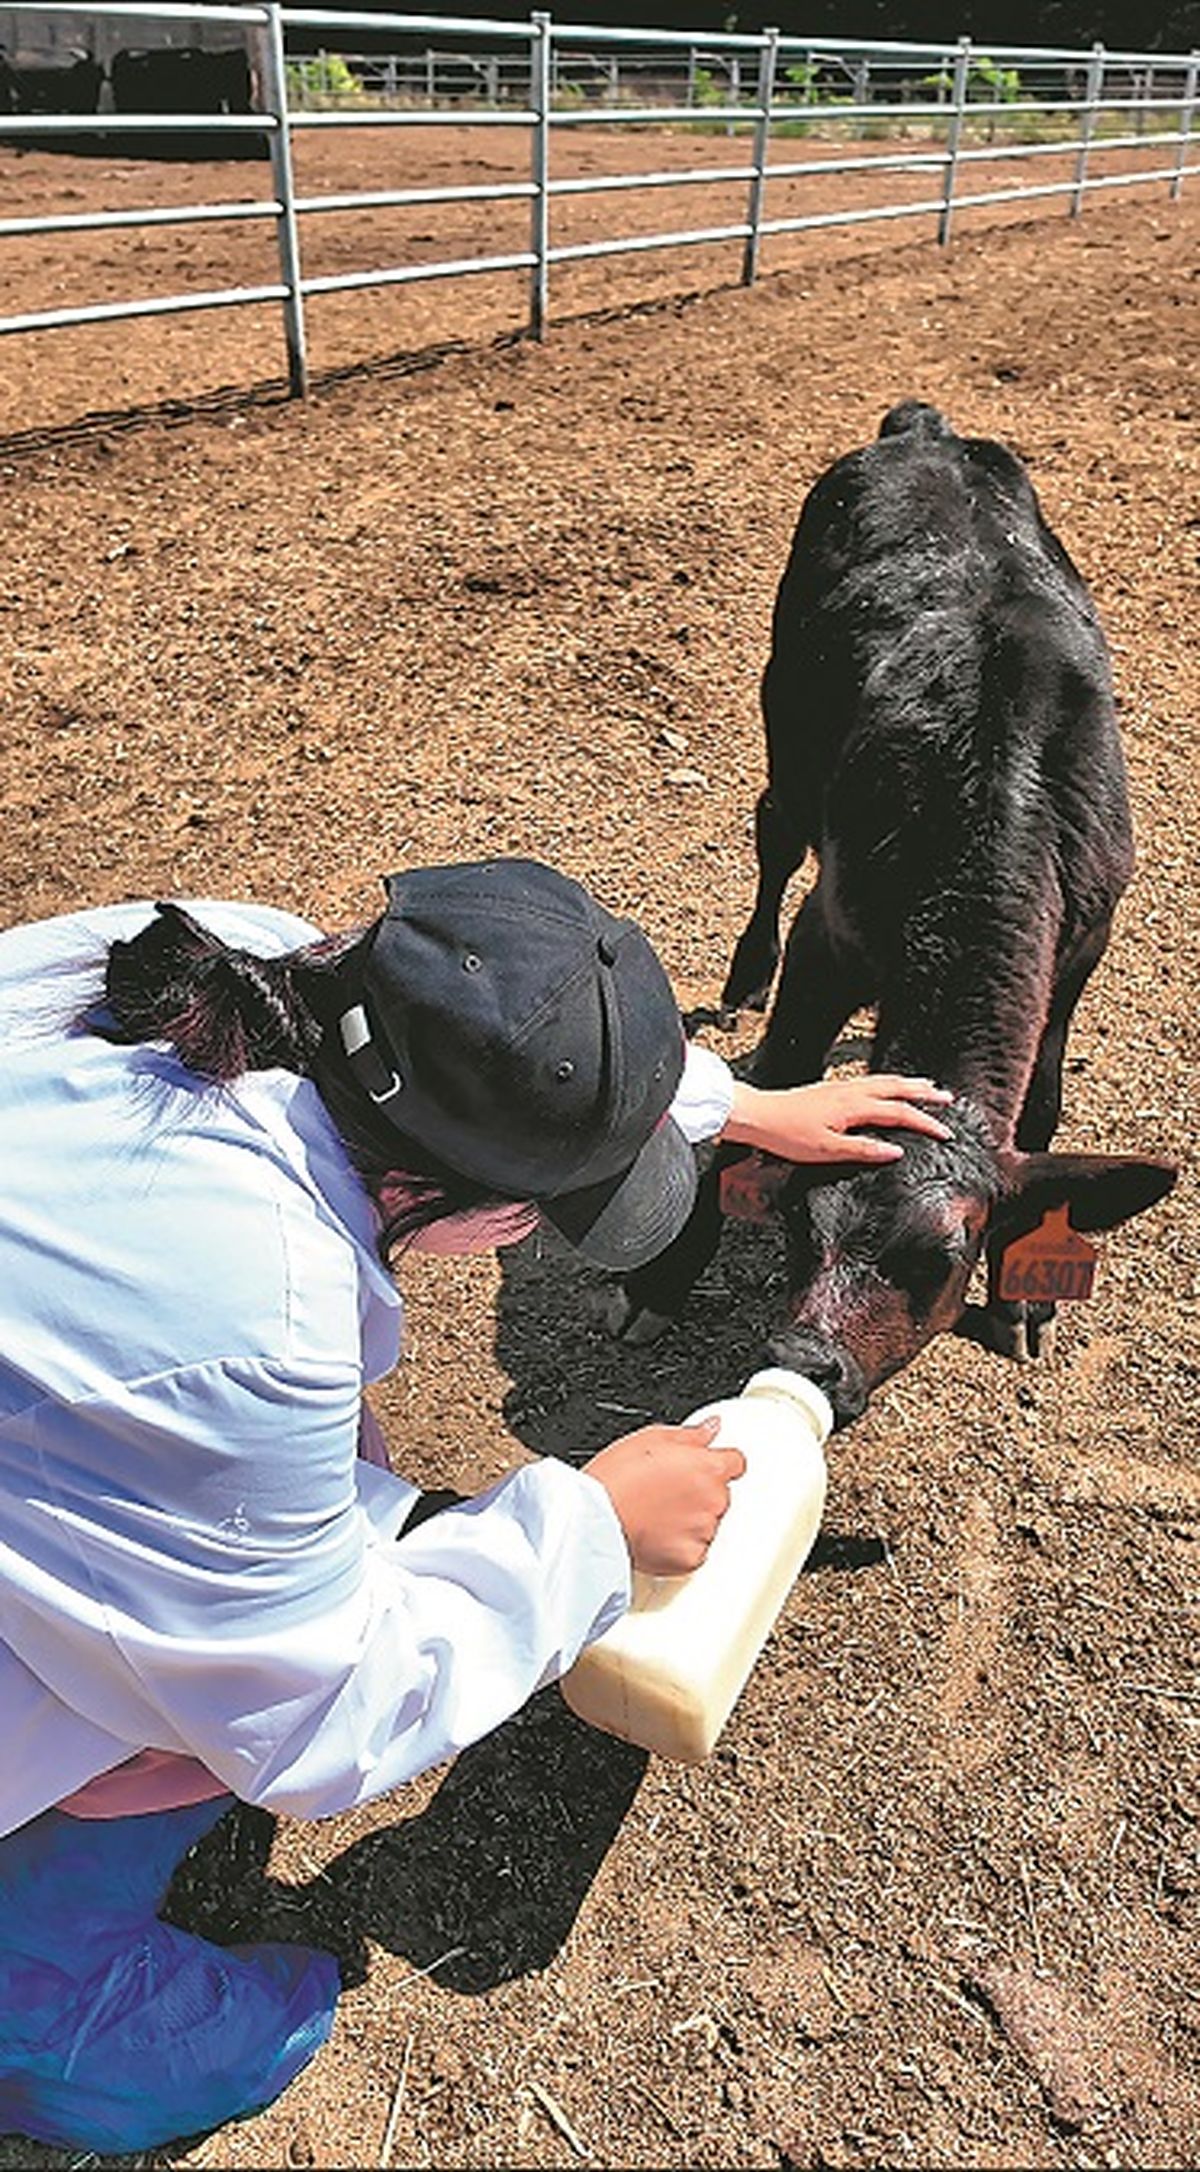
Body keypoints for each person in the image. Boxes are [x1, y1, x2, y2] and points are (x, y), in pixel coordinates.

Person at [0, 856, 950, 2152]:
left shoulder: (236, 961)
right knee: (210, 2019)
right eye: (543, 1212)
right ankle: (55, 1994)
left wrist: (744, 1107)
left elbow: (509, 1039)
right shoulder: (247, 1330)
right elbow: (305, 1714)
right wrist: (586, 1534)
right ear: (459, 1203)